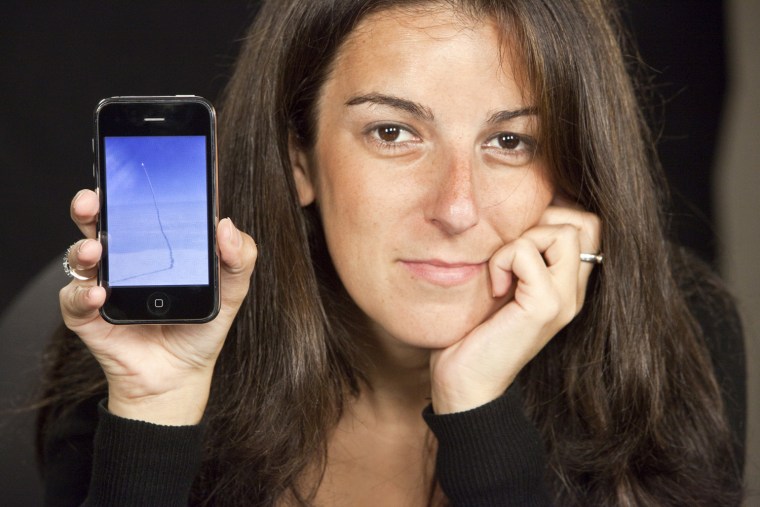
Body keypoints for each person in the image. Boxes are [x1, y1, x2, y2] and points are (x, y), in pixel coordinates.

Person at [37, 0, 745, 505]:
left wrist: (478, 410)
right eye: (392, 133)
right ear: (300, 159)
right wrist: (155, 412)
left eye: (510, 141)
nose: (457, 207)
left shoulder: (676, 338)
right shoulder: (134, 364)